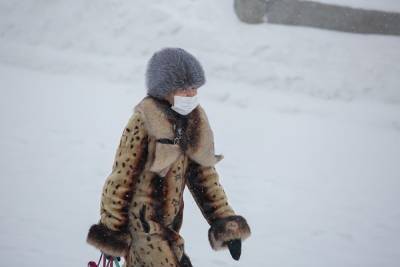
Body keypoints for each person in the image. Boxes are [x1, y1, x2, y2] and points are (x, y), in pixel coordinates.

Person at [86, 47, 251, 267]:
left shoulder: (194, 121)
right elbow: (120, 180)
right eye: (184, 89)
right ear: (165, 90)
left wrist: (225, 222)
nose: (192, 94)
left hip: (169, 227)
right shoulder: (144, 121)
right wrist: (111, 231)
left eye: (194, 88)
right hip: (141, 228)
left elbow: (205, 179)